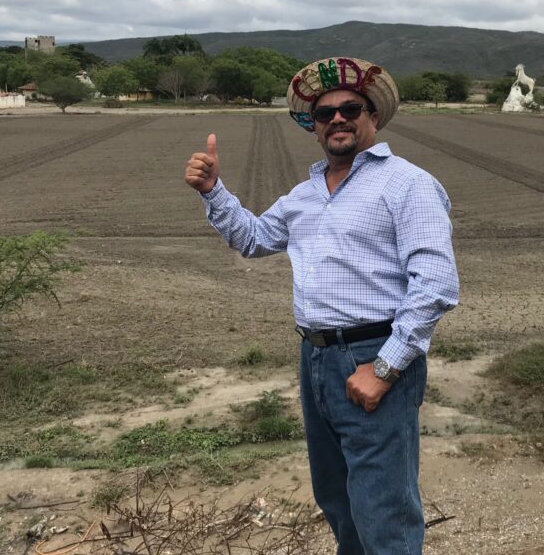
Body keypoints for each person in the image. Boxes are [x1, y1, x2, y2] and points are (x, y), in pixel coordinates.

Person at [184, 56, 459, 555]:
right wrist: (213, 191)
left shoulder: (408, 184)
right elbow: (253, 238)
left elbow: (435, 284)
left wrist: (386, 367)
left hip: (374, 354)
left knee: (383, 507)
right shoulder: (305, 194)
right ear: (312, 126)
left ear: (372, 116)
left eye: (350, 108)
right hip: (315, 358)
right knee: (337, 498)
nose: (337, 118)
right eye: (323, 113)